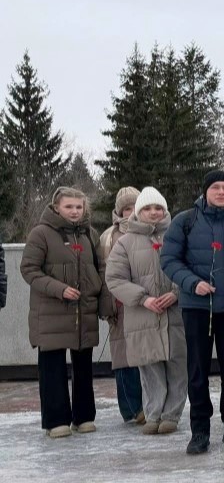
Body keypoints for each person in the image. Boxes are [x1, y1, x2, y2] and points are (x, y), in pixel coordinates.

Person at [160, 171, 224, 454]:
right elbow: (168, 259)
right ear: (205, 191)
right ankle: (200, 431)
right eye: (215, 187)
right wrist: (193, 283)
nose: (221, 192)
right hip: (197, 307)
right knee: (198, 369)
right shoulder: (186, 221)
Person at [22, 187, 108, 438]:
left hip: (83, 312)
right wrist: (60, 289)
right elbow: (29, 270)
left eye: (78, 207)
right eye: (69, 206)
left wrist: (101, 301)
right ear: (56, 207)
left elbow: (100, 269)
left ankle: (83, 417)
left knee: (83, 366)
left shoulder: (90, 235)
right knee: (52, 367)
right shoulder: (41, 233)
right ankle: (55, 420)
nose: (74, 211)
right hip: (50, 312)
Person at [104, 187, 185, 435]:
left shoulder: (179, 235)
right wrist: (143, 299)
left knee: (177, 365)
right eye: (147, 208)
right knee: (149, 367)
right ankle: (153, 413)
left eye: (158, 208)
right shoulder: (125, 243)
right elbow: (115, 279)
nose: (153, 213)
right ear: (138, 212)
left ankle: (172, 414)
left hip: (176, 315)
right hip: (142, 315)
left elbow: (192, 267)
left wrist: (176, 292)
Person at [100, 186, 145, 426]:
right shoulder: (107, 237)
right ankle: (130, 408)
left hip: (143, 302)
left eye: (134, 207)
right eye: (126, 208)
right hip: (118, 306)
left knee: (144, 355)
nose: (130, 213)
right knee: (123, 358)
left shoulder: (148, 231)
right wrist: (107, 305)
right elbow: (102, 273)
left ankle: (146, 405)